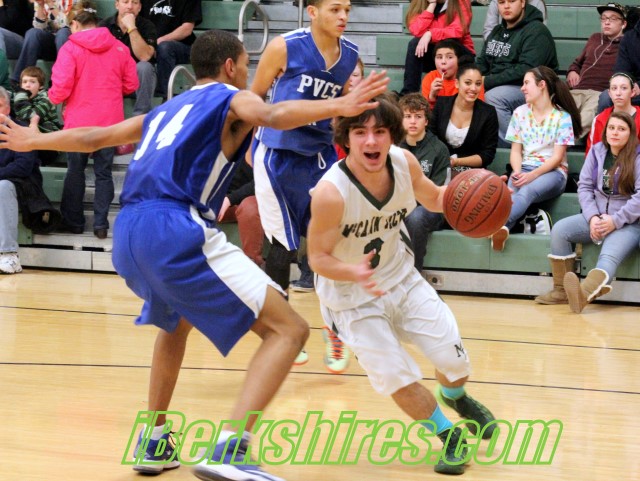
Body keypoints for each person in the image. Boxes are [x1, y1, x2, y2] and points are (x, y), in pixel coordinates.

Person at [0, 29, 389, 480]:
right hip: (175, 226)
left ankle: (153, 438)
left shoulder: (167, 109)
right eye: (246, 65)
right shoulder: (232, 97)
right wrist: (339, 105)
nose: (249, 74)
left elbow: (96, 137)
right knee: (290, 330)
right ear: (230, 66)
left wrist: (34, 141)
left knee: (175, 323)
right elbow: (273, 114)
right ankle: (232, 449)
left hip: (129, 230)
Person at [307, 94, 496, 476]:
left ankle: (454, 395)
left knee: (454, 363)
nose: (371, 141)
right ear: (346, 138)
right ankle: (448, 435)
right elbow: (317, 258)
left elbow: (436, 198)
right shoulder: (330, 193)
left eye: (380, 131)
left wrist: (485, 194)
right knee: (397, 376)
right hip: (351, 298)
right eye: (360, 132)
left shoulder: (404, 163)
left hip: (402, 279)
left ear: (392, 134)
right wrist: (354, 272)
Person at [250, 0, 359, 369]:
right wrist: (249, 144)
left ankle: (336, 330)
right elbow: (254, 96)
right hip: (277, 155)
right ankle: (283, 332)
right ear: (312, 12)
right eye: (335, 9)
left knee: (333, 244)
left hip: (319, 157)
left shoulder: (350, 55)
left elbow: (340, 111)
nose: (343, 17)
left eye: (347, 10)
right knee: (282, 248)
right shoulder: (284, 46)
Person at [48, 2, 138, 239]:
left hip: (78, 122)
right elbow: (131, 84)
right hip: (110, 123)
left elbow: (60, 88)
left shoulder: (70, 48)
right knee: (104, 174)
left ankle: (74, 223)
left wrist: (52, 97)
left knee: (75, 171)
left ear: (75, 25)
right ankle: (100, 225)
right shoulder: (119, 47)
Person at [535, 111, 640, 313]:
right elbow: (584, 187)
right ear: (605, 130)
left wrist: (615, 221)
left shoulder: (637, 156)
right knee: (560, 230)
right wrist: (592, 218)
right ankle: (561, 291)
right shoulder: (597, 151)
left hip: (628, 223)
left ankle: (582, 296)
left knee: (608, 257)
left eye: (621, 129)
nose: (615, 133)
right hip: (596, 216)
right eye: (611, 128)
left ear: (630, 133)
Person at [491, 66, 581, 252]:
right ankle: (503, 230)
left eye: (526, 83)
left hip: (553, 173)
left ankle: (496, 225)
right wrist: (517, 172)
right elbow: (515, 151)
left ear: (542, 85)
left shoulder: (562, 117)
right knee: (510, 195)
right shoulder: (519, 113)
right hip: (523, 168)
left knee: (526, 191)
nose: (522, 88)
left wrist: (532, 175)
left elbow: (557, 157)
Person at [477, 0, 558, 147]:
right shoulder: (497, 31)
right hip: (502, 86)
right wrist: (473, 79)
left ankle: (515, 145)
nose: (506, 6)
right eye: (501, 2)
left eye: (512, 1)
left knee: (494, 97)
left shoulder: (536, 31)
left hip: (534, 89)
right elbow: (482, 62)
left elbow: (526, 70)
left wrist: (487, 81)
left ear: (522, 3)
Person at [399, 93, 450, 271]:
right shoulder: (393, 147)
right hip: (399, 204)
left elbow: (437, 192)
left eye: (418, 116)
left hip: (429, 208)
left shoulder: (439, 149)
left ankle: (414, 273)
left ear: (426, 121)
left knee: (416, 217)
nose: (413, 121)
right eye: (408, 116)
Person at [567, 3, 626, 138]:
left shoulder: (627, 44)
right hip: (578, 90)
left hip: (599, 92)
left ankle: (565, 141)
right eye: (604, 18)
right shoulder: (594, 38)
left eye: (612, 19)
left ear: (623, 24)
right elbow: (577, 63)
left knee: (586, 117)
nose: (606, 22)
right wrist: (572, 71)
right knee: (557, 110)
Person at [429, 63, 498, 175]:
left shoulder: (488, 112)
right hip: (439, 167)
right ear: (457, 83)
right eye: (468, 83)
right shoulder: (441, 104)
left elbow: (487, 155)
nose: (473, 88)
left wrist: (456, 162)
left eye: (478, 84)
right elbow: (430, 140)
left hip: (472, 172)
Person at [0, 86, 38, 274]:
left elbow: (23, 166)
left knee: (2, 187)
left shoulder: (21, 130)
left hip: (21, 185)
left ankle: (10, 255)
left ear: (7, 109)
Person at [400, 0, 475, 95]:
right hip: (436, 56)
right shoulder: (420, 2)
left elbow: (458, 30)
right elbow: (416, 30)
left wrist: (431, 34)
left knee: (449, 41)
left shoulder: (461, 1)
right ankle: (409, 95)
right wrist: (431, 5)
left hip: (460, 54)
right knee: (414, 44)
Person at [100, 0, 158, 118]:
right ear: (117, 5)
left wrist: (131, 28)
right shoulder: (104, 26)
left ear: (140, 7)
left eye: (135, 3)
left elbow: (145, 56)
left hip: (138, 80)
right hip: (111, 78)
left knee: (144, 67)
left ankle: (140, 118)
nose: (130, 6)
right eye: (125, 2)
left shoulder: (147, 26)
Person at [140, 0, 202, 99]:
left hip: (183, 46)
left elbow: (187, 29)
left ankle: (163, 96)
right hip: (151, 45)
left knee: (165, 47)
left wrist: (158, 42)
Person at [9, 0, 73, 87]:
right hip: (49, 42)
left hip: (67, 42)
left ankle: (59, 81)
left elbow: (67, 24)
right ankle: (19, 81)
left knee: (63, 32)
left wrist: (51, 4)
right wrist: (40, 5)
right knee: (32, 32)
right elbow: (39, 27)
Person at [217, 158, 265, 268]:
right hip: (230, 202)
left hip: (260, 202)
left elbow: (263, 182)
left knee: (248, 208)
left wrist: (229, 199)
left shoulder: (270, 153)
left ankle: (253, 265)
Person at [12, 65, 61, 165]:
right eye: (24, 82)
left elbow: (30, 116)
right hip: (30, 144)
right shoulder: (19, 98)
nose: (27, 85)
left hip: (49, 147)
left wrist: (21, 95)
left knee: (24, 122)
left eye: (32, 82)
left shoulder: (47, 99)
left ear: (41, 86)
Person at [599, 3, 640, 112]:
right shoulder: (630, 38)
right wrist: (629, 84)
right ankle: (605, 124)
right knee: (606, 97)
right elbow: (621, 70)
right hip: (634, 88)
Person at [421, 39, 484, 109]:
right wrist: (432, 97)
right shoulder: (430, 78)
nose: (443, 62)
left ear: (459, 59)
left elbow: (479, 108)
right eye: (439, 57)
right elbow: (425, 111)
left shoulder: (470, 78)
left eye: (449, 57)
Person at [587, 72, 640, 153]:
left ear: (632, 92)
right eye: (614, 88)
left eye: (624, 88)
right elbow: (593, 154)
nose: (618, 93)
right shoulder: (599, 119)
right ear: (609, 93)